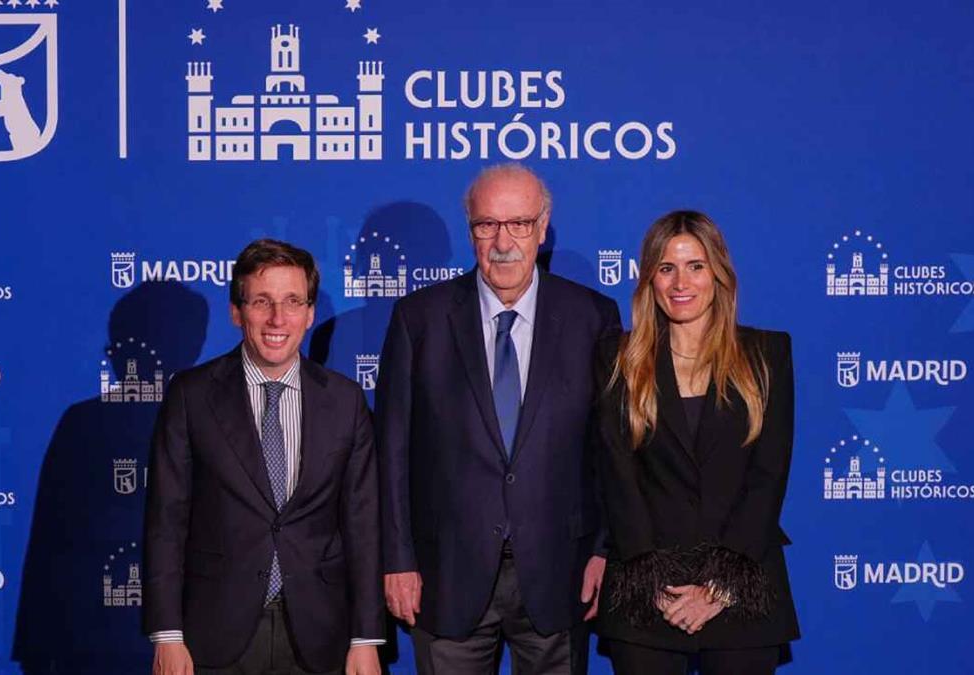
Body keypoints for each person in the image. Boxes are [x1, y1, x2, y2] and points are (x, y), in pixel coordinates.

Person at [375, 163, 623, 674]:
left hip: (561, 572)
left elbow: (610, 449)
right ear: (470, 230)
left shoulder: (592, 317)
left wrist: (605, 549)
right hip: (445, 575)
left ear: (543, 227)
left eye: (519, 224)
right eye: (487, 224)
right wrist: (398, 559)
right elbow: (393, 450)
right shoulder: (419, 318)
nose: (503, 242)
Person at [142, 239, 384, 675]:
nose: (277, 318)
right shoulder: (191, 396)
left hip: (321, 633)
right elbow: (166, 521)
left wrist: (365, 637)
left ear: (310, 314)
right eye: (261, 301)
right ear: (237, 312)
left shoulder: (345, 401)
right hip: (213, 633)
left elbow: (363, 525)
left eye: (293, 301)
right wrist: (167, 634)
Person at [593, 211, 800, 674]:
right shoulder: (618, 358)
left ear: (718, 274)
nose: (680, 283)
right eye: (666, 268)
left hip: (742, 590)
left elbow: (769, 476)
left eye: (695, 266)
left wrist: (720, 586)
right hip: (648, 595)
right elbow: (616, 475)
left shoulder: (766, 355)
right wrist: (654, 581)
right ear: (649, 279)